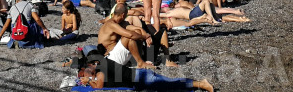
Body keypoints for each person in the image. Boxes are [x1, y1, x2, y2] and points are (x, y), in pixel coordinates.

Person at [77, 47, 215, 91]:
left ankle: (201, 84)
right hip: (141, 75)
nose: (89, 71)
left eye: (88, 68)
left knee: (171, 85)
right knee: (170, 83)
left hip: (143, 79)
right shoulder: (105, 63)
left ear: (93, 63)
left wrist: (88, 80)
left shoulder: (102, 68)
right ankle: (199, 83)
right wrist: (90, 78)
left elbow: (99, 86)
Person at [98, 2, 154, 69]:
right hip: (110, 58)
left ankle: (139, 61)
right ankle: (140, 63)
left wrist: (147, 36)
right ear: (123, 15)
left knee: (137, 32)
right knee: (128, 38)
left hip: (117, 55)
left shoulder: (119, 23)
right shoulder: (111, 24)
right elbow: (130, 35)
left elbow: (138, 29)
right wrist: (144, 37)